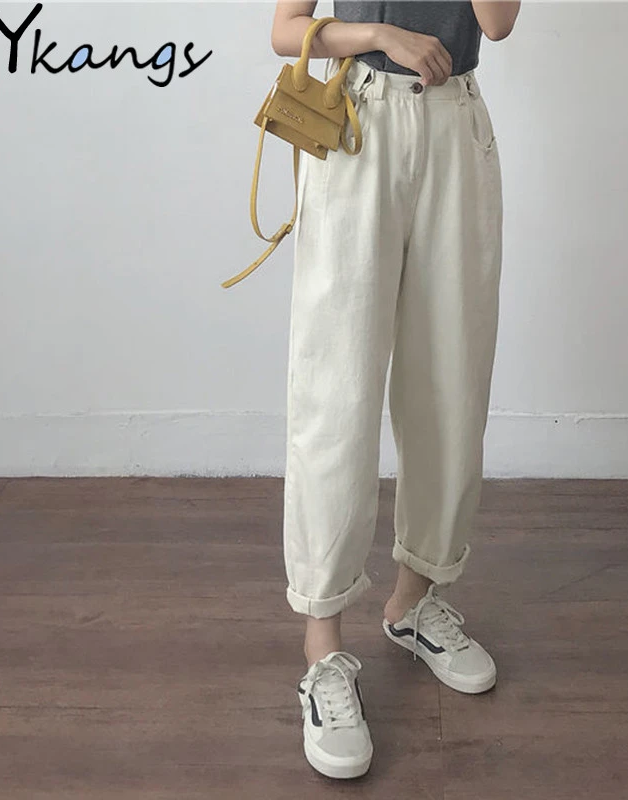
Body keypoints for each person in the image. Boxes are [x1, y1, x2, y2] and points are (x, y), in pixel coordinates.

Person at [271, 0, 520, 779]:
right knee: (335, 393)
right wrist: (379, 35)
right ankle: (322, 647)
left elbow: (498, 23)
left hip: (455, 127)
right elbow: (286, 31)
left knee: (451, 382)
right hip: (358, 123)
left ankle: (414, 600)